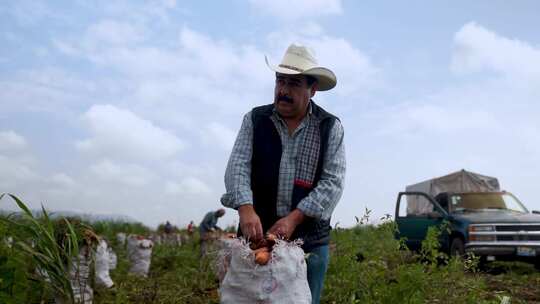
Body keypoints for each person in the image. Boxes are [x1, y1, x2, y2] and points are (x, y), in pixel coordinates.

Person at [221, 43, 346, 304]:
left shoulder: (328, 127)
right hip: (257, 239)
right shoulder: (255, 120)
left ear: (312, 90)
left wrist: (295, 218)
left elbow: (332, 182)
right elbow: (238, 165)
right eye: (280, 81)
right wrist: (245, 208)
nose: (284, 91)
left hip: (309, 240)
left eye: (294, 84)